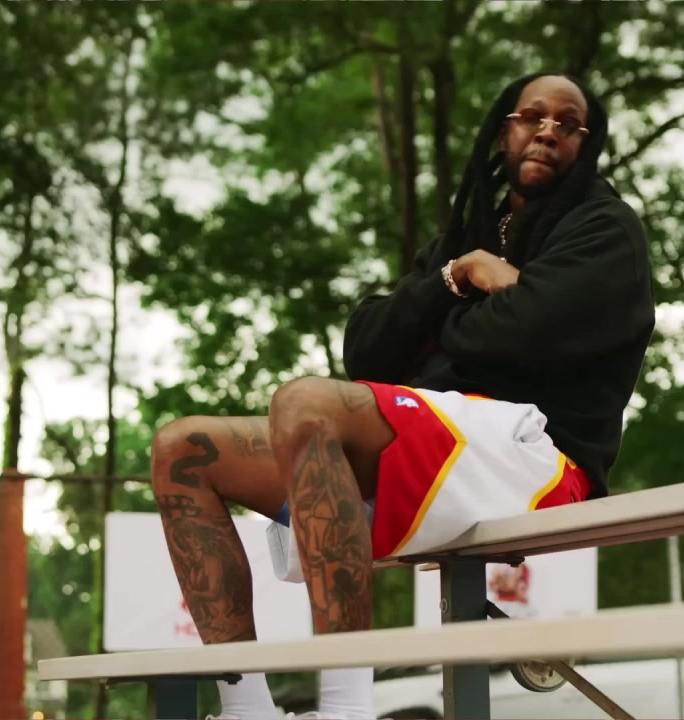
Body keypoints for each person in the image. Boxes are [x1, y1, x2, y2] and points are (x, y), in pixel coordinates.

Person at [149, 71, 655, 720]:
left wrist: (437, 334)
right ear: (503, 131)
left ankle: (346, 709)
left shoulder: (605, 229)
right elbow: (366, 348)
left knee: (305, 404)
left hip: (539, 458)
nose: (548, 131)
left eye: (569, 122)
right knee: (183, 450)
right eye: (533, 116)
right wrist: (458, 277)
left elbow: (528, 331)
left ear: (587, 144)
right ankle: (248, 709)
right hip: (444, 441)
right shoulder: (467, 235)